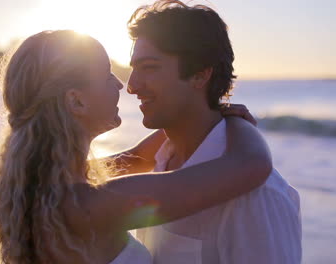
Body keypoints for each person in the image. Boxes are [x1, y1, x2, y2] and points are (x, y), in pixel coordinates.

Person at [0, 30, 272, 264]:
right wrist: (239, 123)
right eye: (107, 75)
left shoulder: (45, 187)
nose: (121, 85)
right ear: (77, 101)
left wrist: (202, 110)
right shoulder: (88, 206)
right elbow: (251, 165)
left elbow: (136, 158)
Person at [125, 1, 302, 263]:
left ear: (200, 74)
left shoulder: (254, 195)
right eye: (134, 69)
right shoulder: (158, 165)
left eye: (149, 67)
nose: (131, 86)